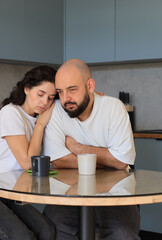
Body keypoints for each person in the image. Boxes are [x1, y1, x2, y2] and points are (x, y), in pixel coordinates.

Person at [42, 59, 140, 240]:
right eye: (60, 92)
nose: (65, 99)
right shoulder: (56, 110)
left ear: (90, 86)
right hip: (68, 193)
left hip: (115, 193)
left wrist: (76, 148)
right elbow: (58, 161)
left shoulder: (113, 108)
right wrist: (106, 159)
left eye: (72, 90)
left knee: (123, 235)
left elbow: (121, 162)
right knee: (54, 230)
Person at [0, 65, 57, 240]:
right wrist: (41, 124)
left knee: (47, 231)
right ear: (27, 88)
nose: (45, 102)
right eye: (41, 94)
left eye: (51, 98)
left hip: (11, 194)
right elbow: (27, 163)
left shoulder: (38, 117)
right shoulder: (11, 113)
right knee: (23, 237)